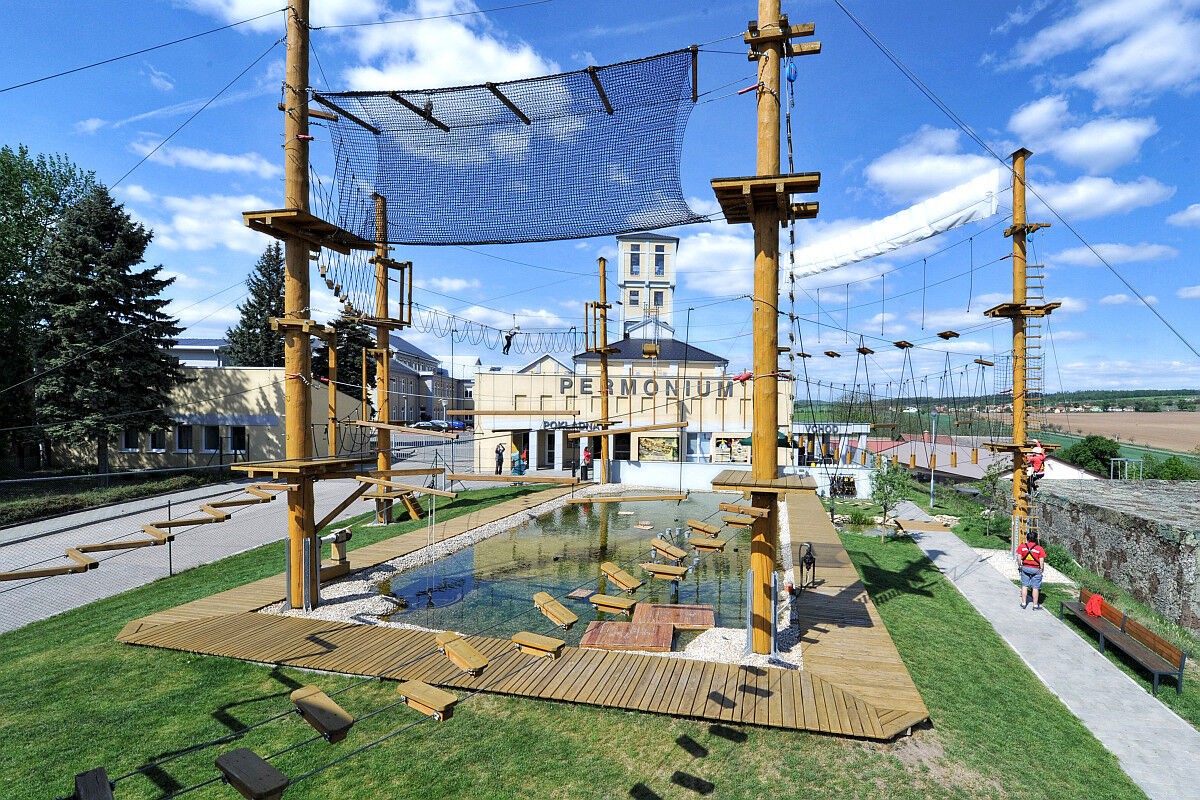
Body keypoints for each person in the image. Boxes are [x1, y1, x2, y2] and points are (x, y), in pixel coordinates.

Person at [1017, 530, 1047, 609]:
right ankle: (1035, 605)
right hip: (1036, 569)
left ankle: (1023, 603)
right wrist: (1042, 569)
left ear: (1027, 538)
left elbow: (1019, 558)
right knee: (1035, 587)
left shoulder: (1022, 546)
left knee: (1024, 586)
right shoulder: (1039, 548)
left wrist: (1020, 566)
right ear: (1036, 539)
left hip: (1025, 568)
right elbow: (1041, 561)